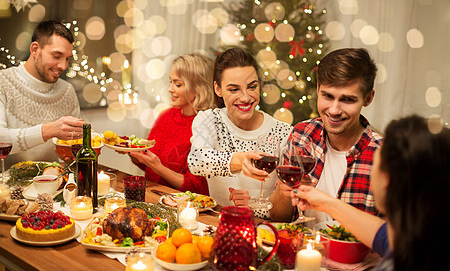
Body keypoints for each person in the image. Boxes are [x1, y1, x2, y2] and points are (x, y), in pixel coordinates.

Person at [294, 115, 450, 271]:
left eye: (376, 163)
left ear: (387, 181)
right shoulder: (424, 241)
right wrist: (327, 203)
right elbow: (382, 235)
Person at [268, 48, 383, 223]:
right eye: (327, 96)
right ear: (318, 90)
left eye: (347, 100)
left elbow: (392, 240)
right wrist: (283, 190)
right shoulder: (302, 135)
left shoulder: (386, 157)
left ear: (368, 98)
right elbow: (278, 217)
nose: (334, 110)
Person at [188, 47, 292, 219]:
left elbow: (284, 215)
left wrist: (252, 206)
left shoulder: (283, 131)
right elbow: (196, 161)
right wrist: (240, 160)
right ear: (218, 89)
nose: (245, 98)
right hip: (215, 225)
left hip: (261, 231)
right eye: (234, 89)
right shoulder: (209, 119)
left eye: (252, 87)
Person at [0, 20, 84, 168]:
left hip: (53, 182)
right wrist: (49, 130)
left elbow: (74, 145)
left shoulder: (67, 91)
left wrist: (73, 154)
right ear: (35, 49)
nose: (63, 66)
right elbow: (1, 140)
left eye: (67, 59)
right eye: (57, 56)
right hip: (7, 186)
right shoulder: (3, 82)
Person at [128, 53, 214, 195]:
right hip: (151, 196)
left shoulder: (206, 126)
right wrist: (132, 153)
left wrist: (158, 167)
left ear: (198, 87)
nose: (170, 89)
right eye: (171, 82)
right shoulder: (166, 116)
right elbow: (150, 168)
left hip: (180, 208)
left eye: (178, 84)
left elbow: (198, 188)